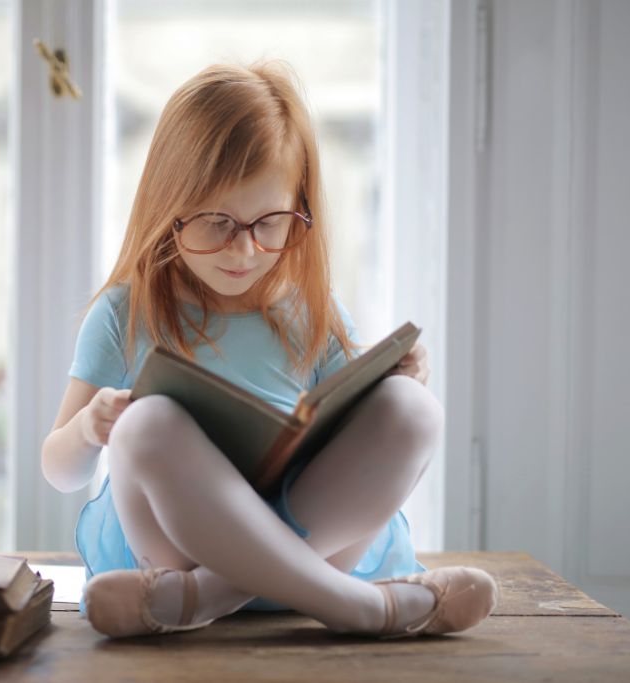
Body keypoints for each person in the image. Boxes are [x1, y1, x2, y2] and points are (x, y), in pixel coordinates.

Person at [41, 61, 498, 639]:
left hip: (298, 548)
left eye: (271, 223)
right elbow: (58, 470)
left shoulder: (310, 307)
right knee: (145, 424)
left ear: (299, 210)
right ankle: (362, 608)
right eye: (215, 223)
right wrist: (89, 428)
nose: (245, 251)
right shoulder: (125, 313)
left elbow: (360, 427)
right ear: (168, 208)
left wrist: (397, 379)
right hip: (175, 549)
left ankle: (209, 597)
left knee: (413, 408)